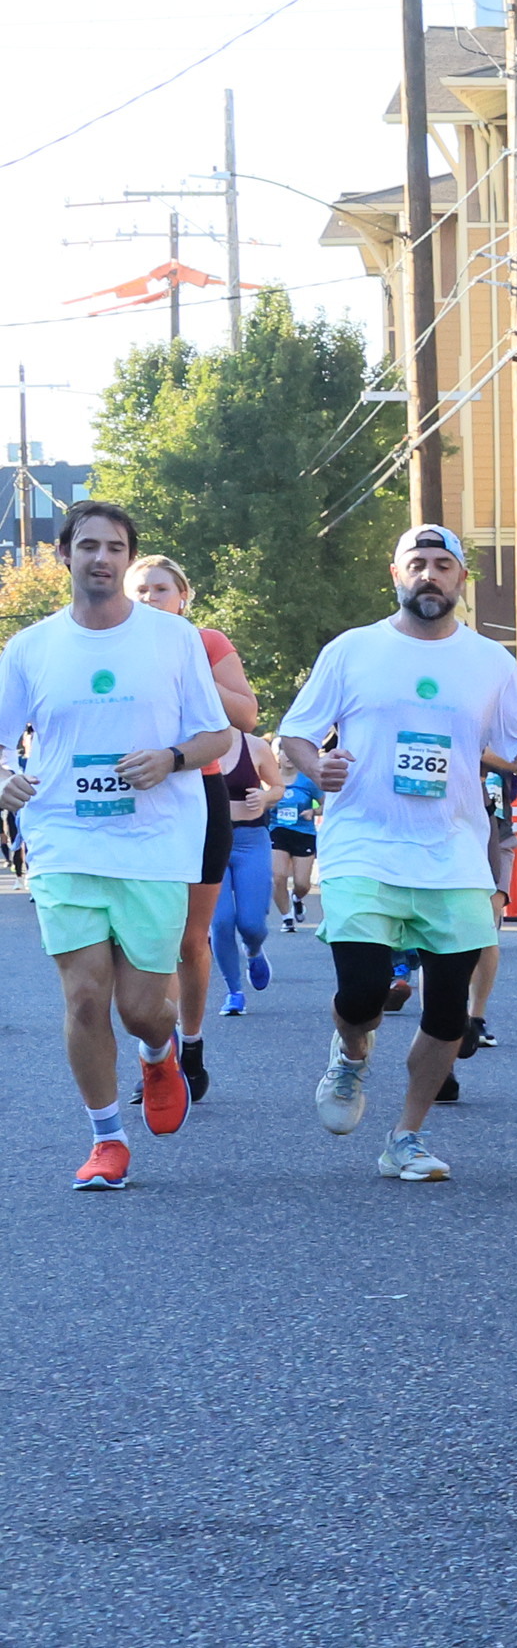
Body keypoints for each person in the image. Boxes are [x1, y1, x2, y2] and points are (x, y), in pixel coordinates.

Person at [277, 526, 517, 1183]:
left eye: (442, 564)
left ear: (461, 578)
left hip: (452, 852)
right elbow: (295, 734)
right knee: (363, 992)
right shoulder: (353, 650)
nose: (429, 575)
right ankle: (351, 1053)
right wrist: (316, 765)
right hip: (364, 846)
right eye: (417, 564)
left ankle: (406, 1137)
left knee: (448, 1012)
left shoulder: (490, 662)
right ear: (396, 575)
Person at [0, 500, 232, 1187]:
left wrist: (170, 758)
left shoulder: (173, 639)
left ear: (128, 559)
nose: (101, 558)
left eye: (115, 548)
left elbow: (218, 735)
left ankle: (159, 1054)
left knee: (141, 1009)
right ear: (64, 555)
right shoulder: (31, 647)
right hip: (65, 837)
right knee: (83, 996)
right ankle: (107, 1140)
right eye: (88, 546)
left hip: (152, 842)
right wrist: (4, 777)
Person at [125, 555, 260, 1103]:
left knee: (189, 938)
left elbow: (245, 716)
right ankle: (157, 1053)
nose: (150, 599)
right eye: (140, 590)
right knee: (149, 934)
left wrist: (191, 667)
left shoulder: (206, 642)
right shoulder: (112, 646)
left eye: (161, 589)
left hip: (199, 793)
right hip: (136, 797)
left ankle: (192, 1044)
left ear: (184, 597)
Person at [214, 732, 279, 1015]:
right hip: (211, 841)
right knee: (221, 922)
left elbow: (278, 787)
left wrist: (265, 796)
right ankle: (234, 992)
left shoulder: (255, 746)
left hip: (251, 841)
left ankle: (253, 950)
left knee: (251, 924)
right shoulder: (195, 744)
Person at [267, 761, 322, 930]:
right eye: (284, 751)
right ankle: (287, 918)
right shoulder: (270, 778)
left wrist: (313, 811)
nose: (288, 758)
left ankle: (297, 898)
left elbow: (326, 804)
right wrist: (267, 803)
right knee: (278, 876)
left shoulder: (308, 781)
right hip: (277, 830)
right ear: (279, 755)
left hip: (303, 833)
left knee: (302, 884)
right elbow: (260, 802)